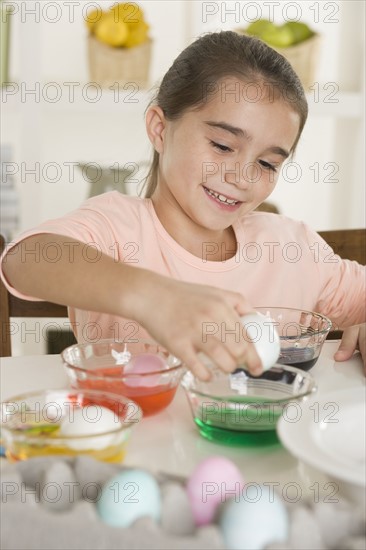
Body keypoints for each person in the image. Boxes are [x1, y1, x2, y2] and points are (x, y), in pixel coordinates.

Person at [1, 31, 365, 378]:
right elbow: (24, 259)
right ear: (160, 129)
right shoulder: (116, 229)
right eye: (222, 146)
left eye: (267, 163)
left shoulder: (294, 250)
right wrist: (155, 298)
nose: (243, 177)